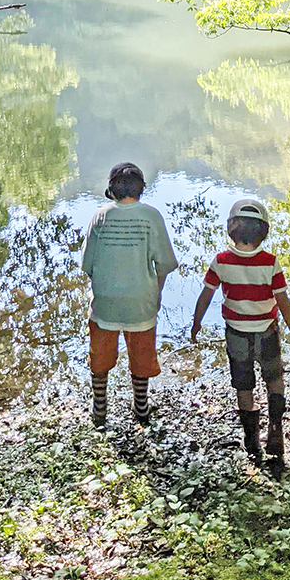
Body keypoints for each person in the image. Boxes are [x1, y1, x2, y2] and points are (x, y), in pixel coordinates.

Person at [190, 198, 290, 473]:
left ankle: (251, 440)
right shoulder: (270, 263)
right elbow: (284, 302)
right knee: (274, 379)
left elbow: (206, 295)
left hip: (237, 334)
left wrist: (196, 324)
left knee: (244, 386)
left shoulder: (220, 261)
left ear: (231, 228)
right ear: (263, 230)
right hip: (267, 331)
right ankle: (275, 429)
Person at [79, 162, 179, 427]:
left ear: (111, 189)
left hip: (105, 305)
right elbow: (165, 265)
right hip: (141, 304)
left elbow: (88, 266)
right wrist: (154, 294)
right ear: (142, 190)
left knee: (100, 358)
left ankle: (99, 409)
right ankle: (142, 408)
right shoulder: (152, 217)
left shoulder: (100, 217)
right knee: (142, 357)